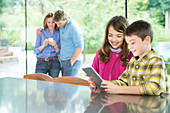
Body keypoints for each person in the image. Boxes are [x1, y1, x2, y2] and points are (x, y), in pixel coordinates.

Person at [100, 20, 169, 95]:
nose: (129, 47)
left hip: (153, 106)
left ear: (147, 40)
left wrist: (119, 89)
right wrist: (105, 84)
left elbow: (155, 88)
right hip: (134, 105)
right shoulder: (133, 61)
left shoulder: (156, 61)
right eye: (128, 44)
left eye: (132, 43)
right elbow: (123, 82)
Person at [89, 16, 133, 92]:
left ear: (125, 36)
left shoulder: (132, 55)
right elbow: (93, 75)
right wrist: (92, 82)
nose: (113, 39)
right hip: (101, 99)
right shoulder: (101, 52)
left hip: (122, 100)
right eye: (110, 35)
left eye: (118, 36)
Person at [37, 10, 84, 76]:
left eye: (60, 24)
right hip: (64, 61)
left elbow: (80, 47)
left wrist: (71, 62)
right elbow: (51, 27)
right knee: (64, 84)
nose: (58, 26)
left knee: (70, 84)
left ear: (66, 19)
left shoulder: (74, 28)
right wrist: (41, 28)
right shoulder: (62, 25)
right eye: (57, 24)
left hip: (72, 61)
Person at [34, 12, 61, 78]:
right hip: (41, 62)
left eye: (53, 22)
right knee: (39, 85)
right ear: (46, 23)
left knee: (54, 86)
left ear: (56, 22)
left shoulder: (59, 33)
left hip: (54, 63)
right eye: (49, 22)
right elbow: (35, 50)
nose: (51, 24)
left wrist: (55, 45)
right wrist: (43, 45)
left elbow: (59, 51)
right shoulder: (41, 32)